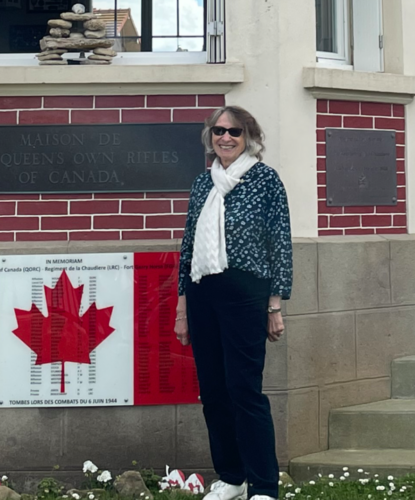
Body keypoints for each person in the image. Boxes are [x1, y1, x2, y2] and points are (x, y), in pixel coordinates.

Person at [174, 106, 293, 500]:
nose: (225, 137)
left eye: (234, 132)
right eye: (219, 131)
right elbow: (188, 247)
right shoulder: (201, 184)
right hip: (203, 293)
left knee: (244, 390)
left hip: (246, 294)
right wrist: (182, 309)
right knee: (213, 391)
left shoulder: (264, 180)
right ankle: (232, 477)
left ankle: (263, 485)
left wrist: (274, 305)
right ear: (210, 137)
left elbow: (280, 244)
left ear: (249, 137)